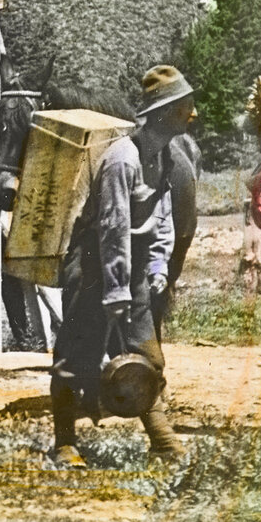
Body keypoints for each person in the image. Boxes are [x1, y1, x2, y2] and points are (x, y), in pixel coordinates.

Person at [48, 66, 196, 467]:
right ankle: (65, 444)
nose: (193, 113)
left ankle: (162, 442)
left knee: (149, 358)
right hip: (94, 265)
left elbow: (163, 217)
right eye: (185, 106)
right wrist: (115, 293)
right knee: (75, 356)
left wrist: (158, 265)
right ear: (164, 112)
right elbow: (113, 229)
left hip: (134, 266)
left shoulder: (165, 157)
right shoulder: (121, 160)